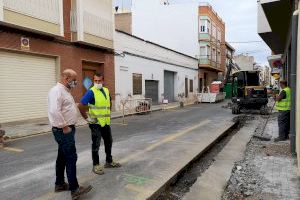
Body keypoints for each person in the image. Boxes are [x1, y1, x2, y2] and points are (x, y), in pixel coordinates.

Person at [48, 69, 92, 200]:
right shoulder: (57, 91)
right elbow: (54, 111)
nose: (76, 82)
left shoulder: (66, 91)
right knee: (71, 157)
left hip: (66, 129)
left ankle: (60, 184)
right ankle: (75, 189)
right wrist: (65, 126)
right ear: (66, 78)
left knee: (62, 157)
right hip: (63, 130)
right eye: (74, 80)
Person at [78, 73, 121, 175]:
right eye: (95, 81)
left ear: (103, 81)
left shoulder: (106, 90)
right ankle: (96, 165)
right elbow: (80, 105)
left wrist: (108, 112)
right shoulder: (91, 92)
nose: (97, 83)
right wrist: (87, 118)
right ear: (93, 81)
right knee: (96, 145)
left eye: (99, 81)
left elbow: (109, 102)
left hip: (105, 122)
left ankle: (109, 162)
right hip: (95, 123)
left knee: (109, 142)